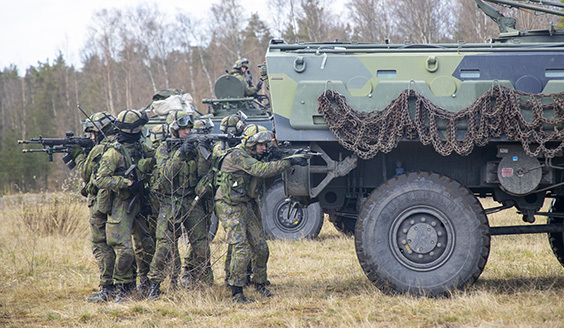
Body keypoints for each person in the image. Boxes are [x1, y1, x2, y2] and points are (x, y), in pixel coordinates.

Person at [214, 124, 308, 303]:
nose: (265, 148)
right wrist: (290, 162)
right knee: (241, 249)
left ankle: (259, 284)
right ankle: (236, 291)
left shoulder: (256, 153)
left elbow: (273, 157)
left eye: (266, 145)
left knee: (261, 247)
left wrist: (293, 154)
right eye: (261, 145)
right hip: (228, 204)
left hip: (246, 203)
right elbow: (260, 170)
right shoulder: (238, 155)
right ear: (250, 144)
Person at [147, 111, 213, 300]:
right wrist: (181, 152)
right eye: (182, 128)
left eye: (189, 128)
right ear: (174, 130)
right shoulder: (163, 148)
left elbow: (202, 173)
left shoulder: (195, 146)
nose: (187, 132)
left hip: (192, 200)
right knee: (164, 245)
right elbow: (167, 173)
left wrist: (201, 149)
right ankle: (155, 284)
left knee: (201, 245)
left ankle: (205, 283)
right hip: (170, 201)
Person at [95, 109, 155, 303]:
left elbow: (155, 160)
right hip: (122, 203)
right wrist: (126, 183)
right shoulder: (113, 153)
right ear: (132, 129)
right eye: (139, 127)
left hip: (140, 201)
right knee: (125, 251)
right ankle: (122, 287)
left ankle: (145, 283)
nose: (142, 130)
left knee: (146, 245)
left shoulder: (140, 147)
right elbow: (101, 179)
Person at [69, 112, 119, 303]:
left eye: (92, 133)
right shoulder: (119, 146)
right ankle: (125, 285)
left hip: (101, 203)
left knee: (101, 245)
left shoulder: (100, 149)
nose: (91, 137)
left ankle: (108, 287)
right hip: (118, 203)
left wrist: (80, 156)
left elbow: (86, 174)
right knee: (120, 245)